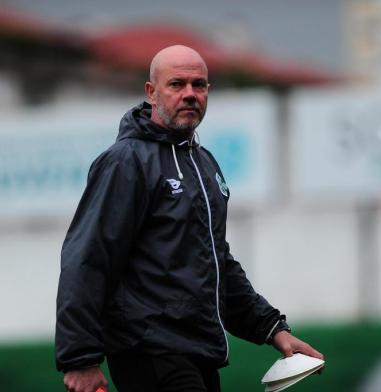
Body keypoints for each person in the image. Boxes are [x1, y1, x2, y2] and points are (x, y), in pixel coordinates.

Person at [55, 45, 323, 392]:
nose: (190, 94)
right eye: (177, 84)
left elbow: (217, 263)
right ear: (151, 92)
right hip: (149, 350)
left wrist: (274, 330)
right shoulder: (125, 162)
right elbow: (87, 258)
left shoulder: (205, 163)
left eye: (199, 85)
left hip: (199, 351)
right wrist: (79, 358)